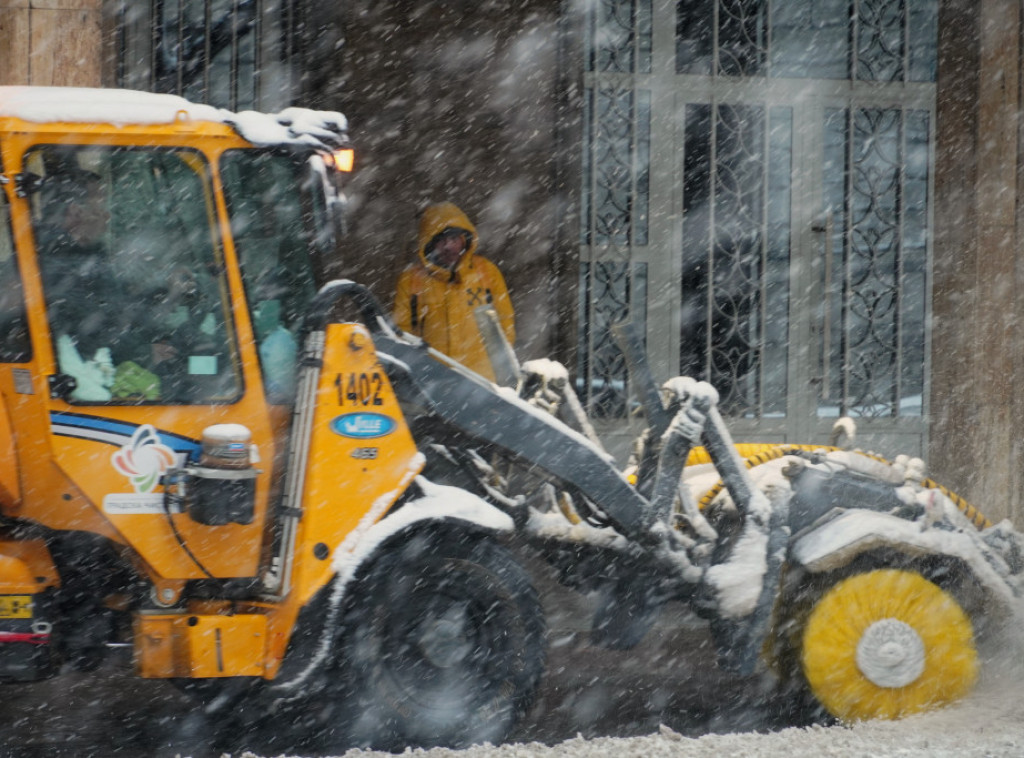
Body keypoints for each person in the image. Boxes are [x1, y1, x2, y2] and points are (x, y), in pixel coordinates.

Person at [394, 202, 515, 382]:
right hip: (433, 385)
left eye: (454, 239)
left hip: (483, 384)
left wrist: (501, 370)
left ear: (465, 240)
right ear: (429, 243)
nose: (449, 246)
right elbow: (401, 333)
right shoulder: (412, 280)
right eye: (441, 240)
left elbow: (505, 323)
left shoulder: (486, 273)